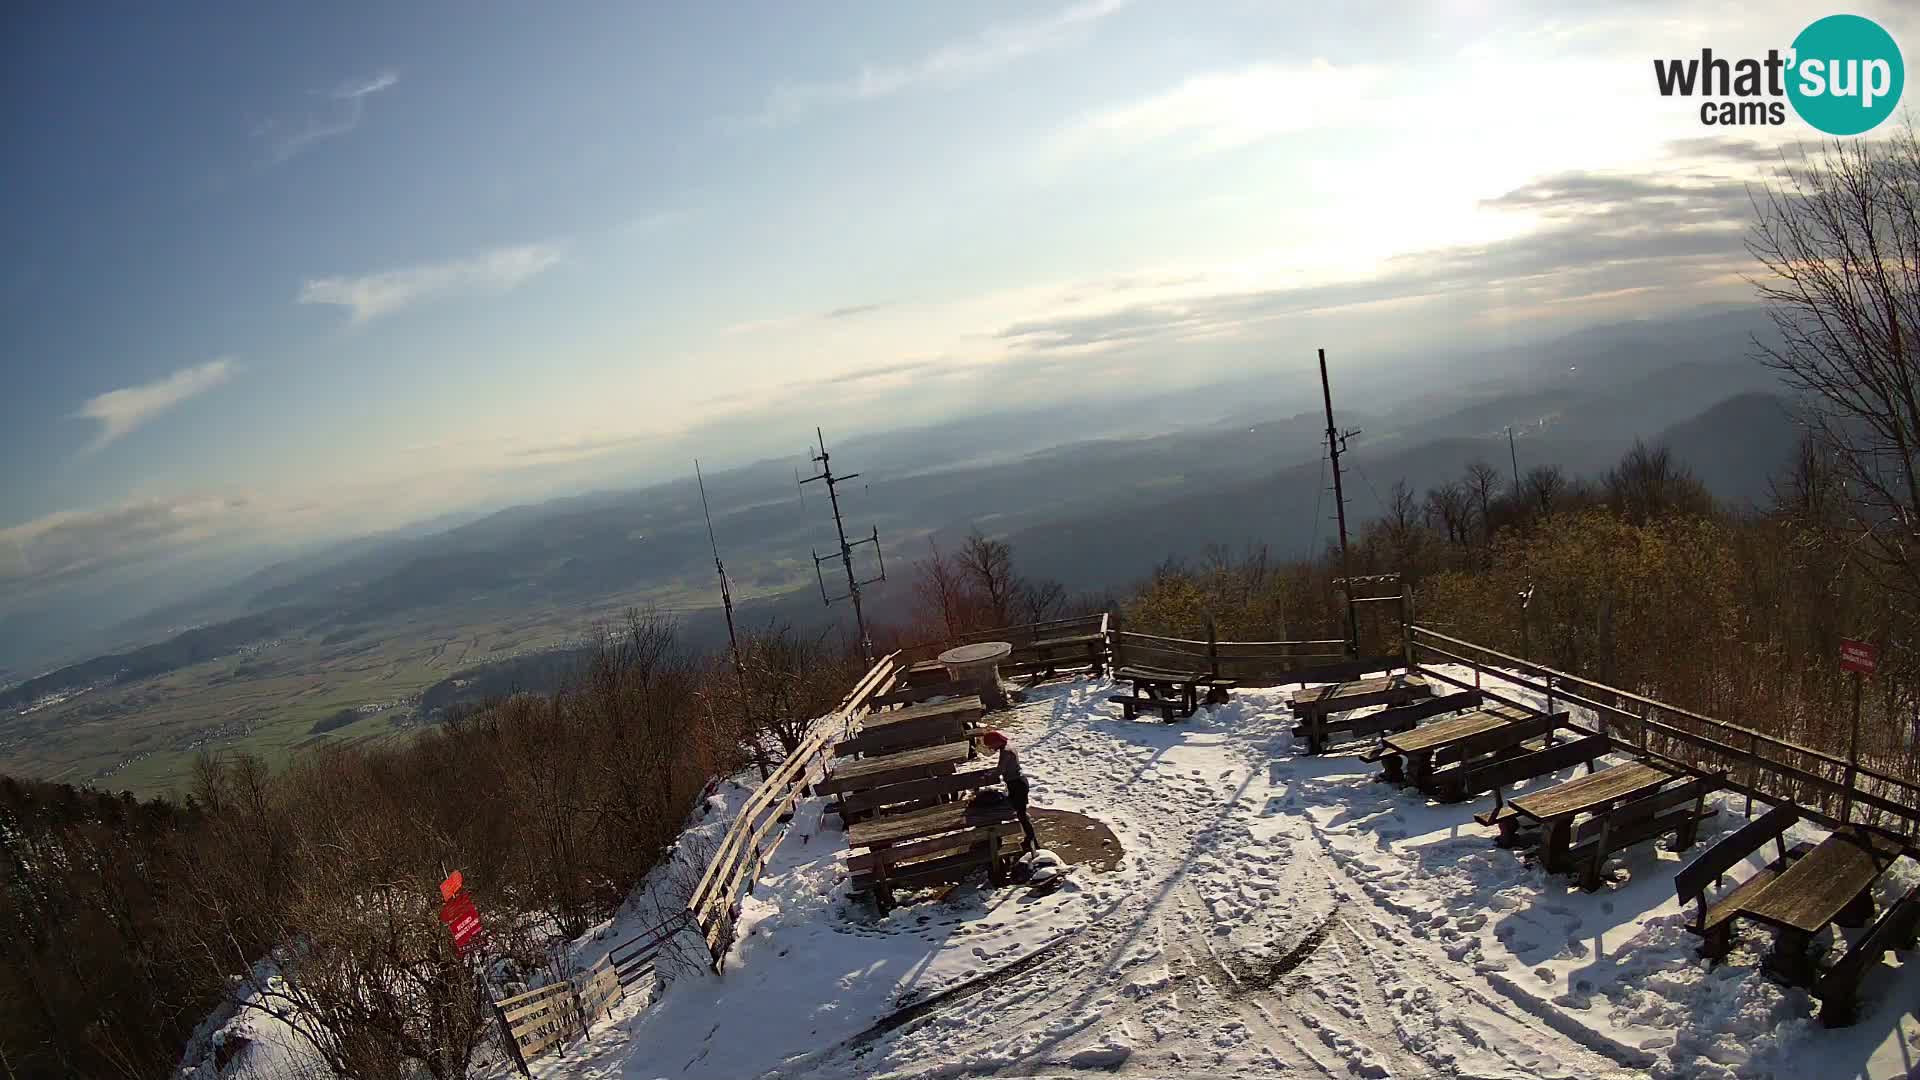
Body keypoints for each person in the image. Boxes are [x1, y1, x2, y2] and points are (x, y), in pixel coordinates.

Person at [981, 729, 1038, 851]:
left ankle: (1032, 840)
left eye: (990, 745)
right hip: (1018, 782)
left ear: (996, 741)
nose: (990, 748)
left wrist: (987, 777)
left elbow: (1000, 770)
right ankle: (1030, 838)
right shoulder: (1007, 746)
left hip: (1017, 785)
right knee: (1019, 812)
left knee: (1021, 814)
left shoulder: (1006, 752)